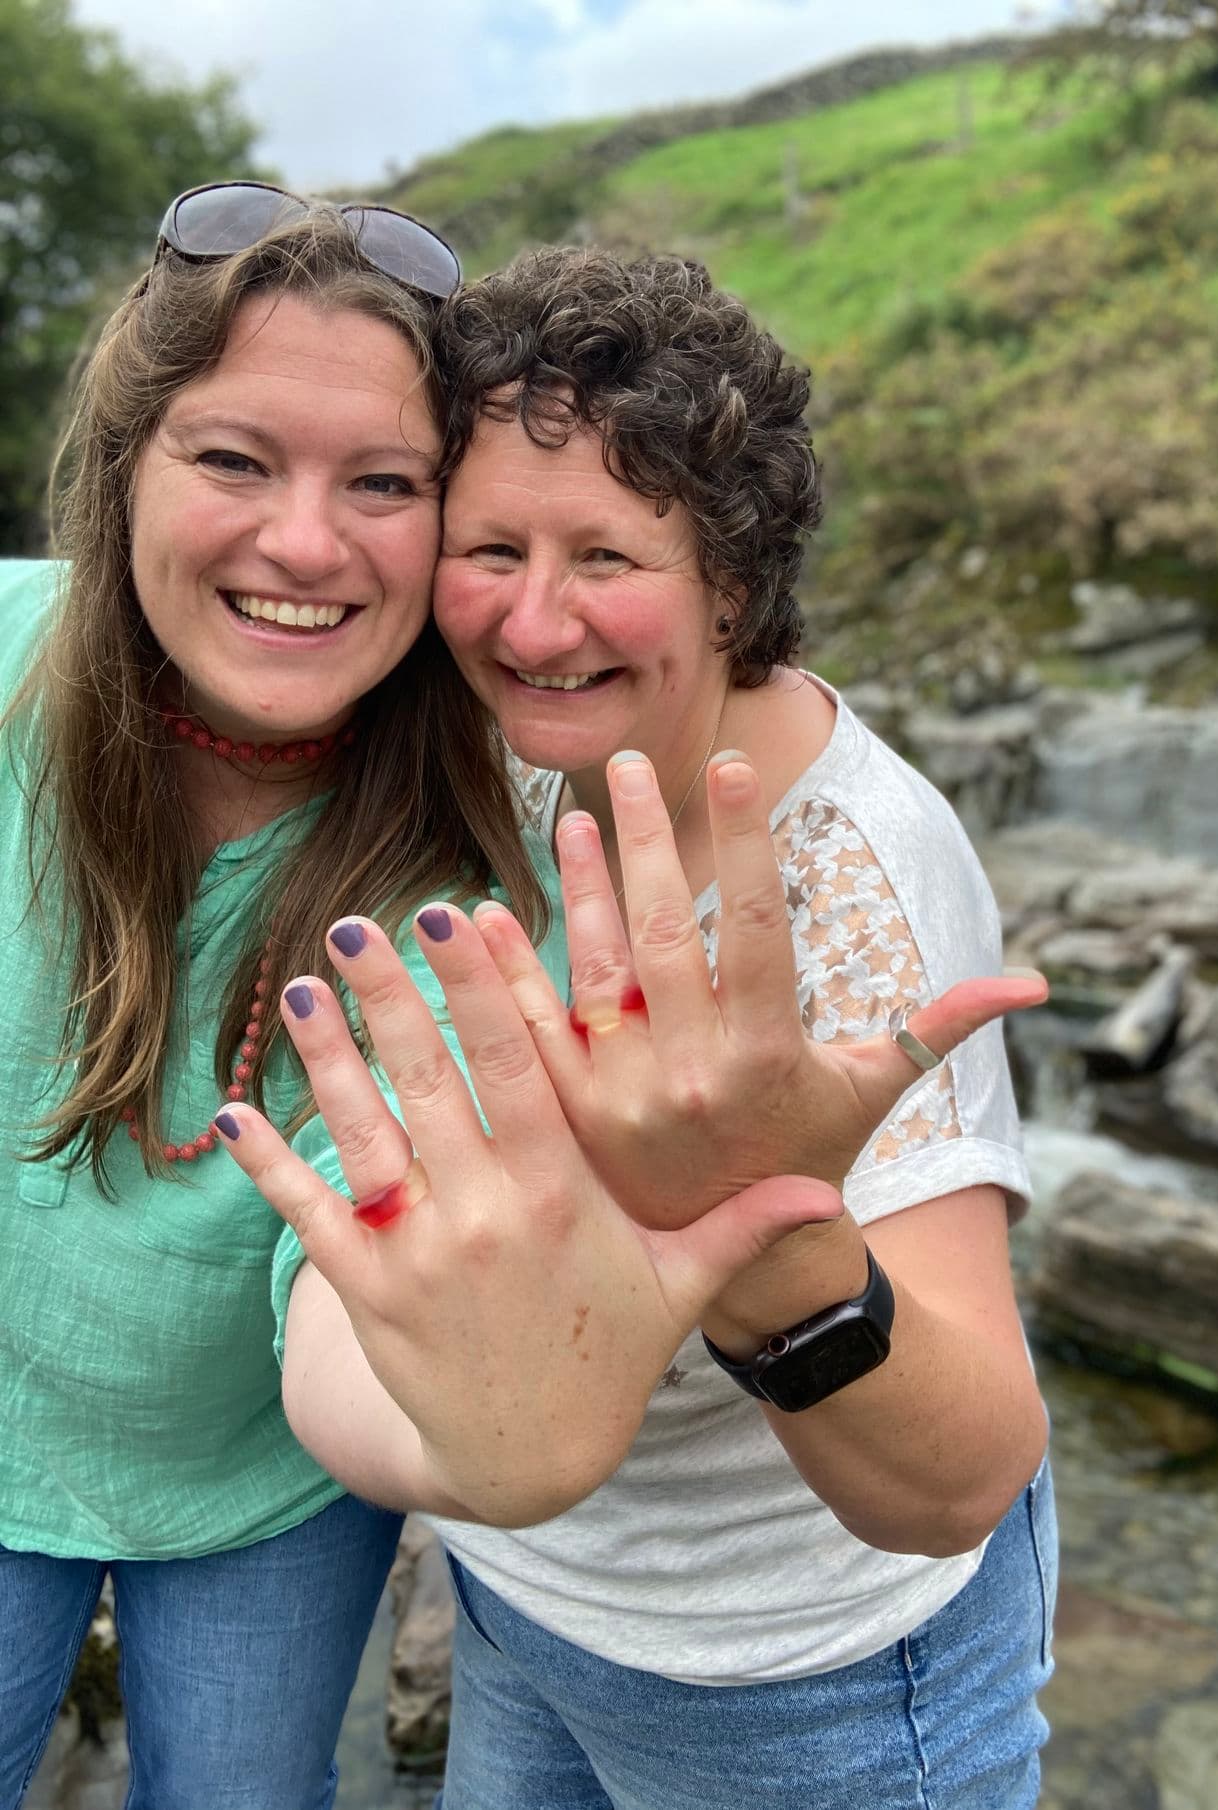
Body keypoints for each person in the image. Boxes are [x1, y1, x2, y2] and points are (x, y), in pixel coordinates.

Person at [232, 248, 1058, 1810]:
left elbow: (963, 1476)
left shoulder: (852, 873)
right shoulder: (512, 753)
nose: (536, 622)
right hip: (520, 1605)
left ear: (732, 579)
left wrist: (760, 1233)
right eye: (489, 547)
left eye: (605, 553)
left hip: (802, 1680)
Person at [0, 184, 565, 1810]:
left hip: (276, 1488)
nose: (305, 544)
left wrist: (480, 1427)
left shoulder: (467, 889)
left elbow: (347, 1294)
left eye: (383, 484)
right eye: (234, 459)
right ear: (123, 472)